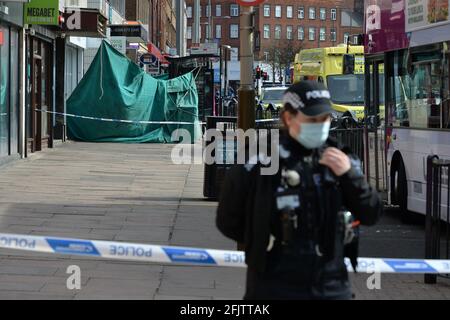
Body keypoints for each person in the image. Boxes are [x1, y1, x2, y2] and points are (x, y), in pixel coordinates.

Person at [216, 81, 382, 300]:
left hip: (330, 287)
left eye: (325, 118)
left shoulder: (340, 158)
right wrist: (261, 238)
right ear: (288, 118)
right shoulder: (259, 161)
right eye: (312, 119)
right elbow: (228, 220)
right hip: (274, 286)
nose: (321, 125)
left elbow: (371, 212)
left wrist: (349, 175)